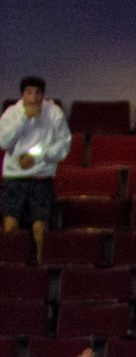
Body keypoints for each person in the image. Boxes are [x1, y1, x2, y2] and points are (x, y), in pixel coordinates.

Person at [0, 76, 70, 253]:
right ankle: (12, 265)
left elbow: (63, 145)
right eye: (29, 92)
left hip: (41, 177)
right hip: (14, 178)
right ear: (22, 94)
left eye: (38, 93)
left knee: (40, 227)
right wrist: (24, 119)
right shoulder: (11, 113)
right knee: (10, 226)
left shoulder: (54, 112)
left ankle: (41, 267)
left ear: (43, 95)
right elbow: (3, 142)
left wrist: (36, 156)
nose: (34, 97)